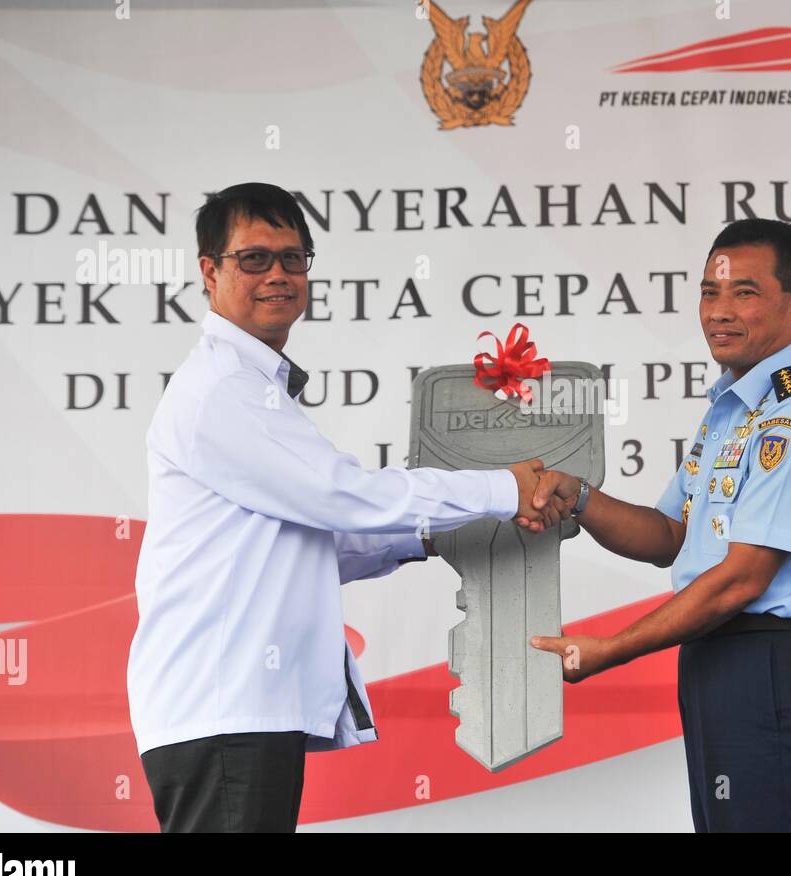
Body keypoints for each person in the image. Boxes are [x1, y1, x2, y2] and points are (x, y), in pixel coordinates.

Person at [128, 182, 559, 832]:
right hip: (224, 710)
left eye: (293, 258)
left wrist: (427, 538)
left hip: (239, 713)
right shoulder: (223, 388)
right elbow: (340, 494)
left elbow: (306, 545)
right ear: (210, 272)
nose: (278, 274)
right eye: (254, 258)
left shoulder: (245, 383)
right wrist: (504, 488)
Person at [525, 218, 791, 832]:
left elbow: (740, 581)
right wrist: (578, 498)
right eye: (710, 293)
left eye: (745, 293)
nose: (720, 313)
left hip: (777, 668)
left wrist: (612, 650)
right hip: (723, 665)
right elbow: (669, 536)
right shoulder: (732, 410)